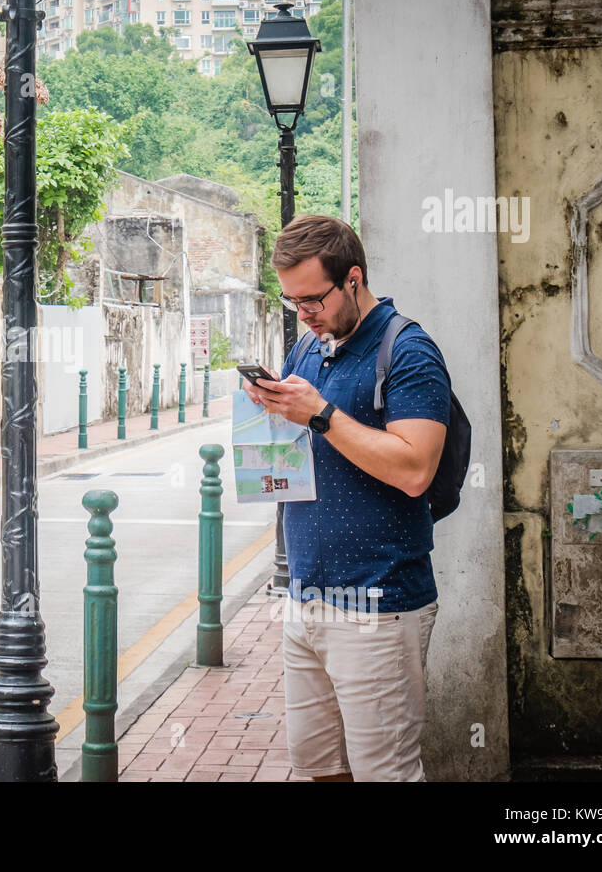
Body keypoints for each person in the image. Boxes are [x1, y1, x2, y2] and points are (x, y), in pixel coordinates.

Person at [245, 214, 451, 782]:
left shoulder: (407, 350)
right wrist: (269, 407)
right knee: (319, 765)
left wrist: (323, 415)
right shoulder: (310, 348)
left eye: (312, 299)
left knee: (385, 772)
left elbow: (415, 469)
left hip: (378, 603)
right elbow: (298, 446)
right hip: (306, 596)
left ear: (353, 278)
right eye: (292, 303)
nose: (304, 315)